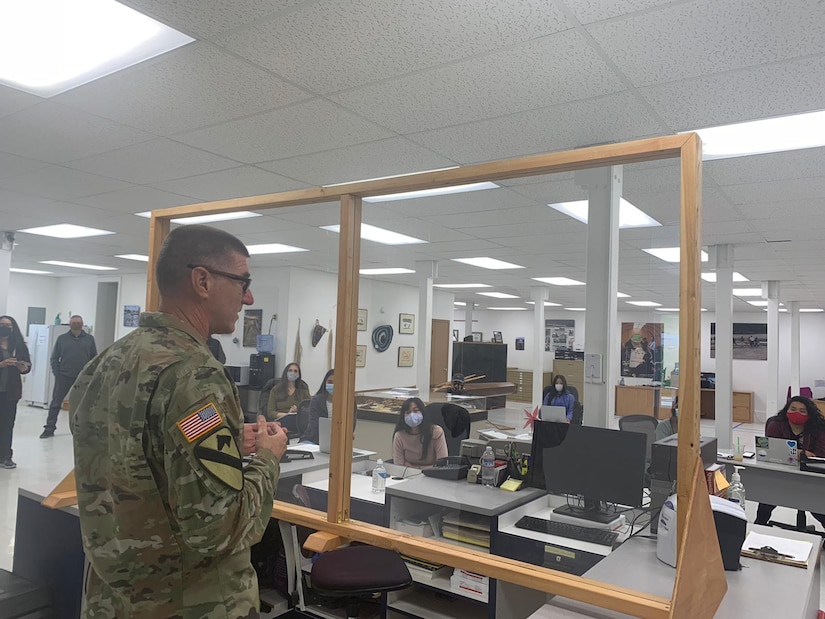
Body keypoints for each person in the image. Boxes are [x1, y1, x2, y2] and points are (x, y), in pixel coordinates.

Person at [69, 224, 288, 618]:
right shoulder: (194, 374)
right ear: (202, 280)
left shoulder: (104, 363)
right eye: (243, 281)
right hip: (188, 602)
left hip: (111, 601)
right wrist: (268, 459)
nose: (248, 296)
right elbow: (219, 528)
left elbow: (137, 460)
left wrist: (230, 441)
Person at [754, 396, 825, 529]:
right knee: (766, 500)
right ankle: (759, 527)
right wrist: (800, 453)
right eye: (793, 409)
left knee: (819, 508)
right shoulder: (776, 424)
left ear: (809, 414)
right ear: (787, 410)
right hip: (780, 475)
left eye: (802, 411)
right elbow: (771, 449)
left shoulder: (819, 428)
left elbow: (819, 455)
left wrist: (788, 451)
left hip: (811, 477)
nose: (796, 413)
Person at [40, 314, 97, 438]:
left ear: (82, 324)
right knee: (56, 403)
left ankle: (84, 429)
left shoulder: (89, 339)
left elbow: (94, 358)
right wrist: (57, 373)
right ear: (70, 324)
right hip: (64, 376)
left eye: (78, 322)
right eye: (74, 322)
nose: (76, 324)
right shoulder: (62, 339)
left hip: (83, 377)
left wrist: (90, 374)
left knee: (85, 404)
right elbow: (54, 358)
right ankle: (49, 429)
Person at [0, 316, 31, 469]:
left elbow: (27, 365)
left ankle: (6, 456)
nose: (5, 328)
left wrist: (23, 367)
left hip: (10, 391)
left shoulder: (18, 345)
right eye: (2, 325)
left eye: (8, 325)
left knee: (7, 424)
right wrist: (2, 364)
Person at [300, 369, 357, 444]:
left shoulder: (349, 402)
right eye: (330, 382)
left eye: (336, 382)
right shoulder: (316, 400)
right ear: (325, 383)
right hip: (313, 440)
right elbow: (315, 427)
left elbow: (351, 426)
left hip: (338, 442)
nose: (333, 385)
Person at [392, 397, 448, 468]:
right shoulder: (400, 435)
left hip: (432, 476)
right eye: (408, 412)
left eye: (416, 411)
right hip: (407, 476)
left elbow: (442, 464)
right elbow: (398, 466)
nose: (412, 415)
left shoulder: (436, 432)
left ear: (422, 412)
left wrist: (414, 467)